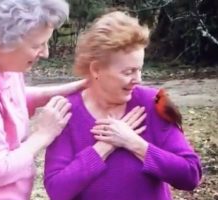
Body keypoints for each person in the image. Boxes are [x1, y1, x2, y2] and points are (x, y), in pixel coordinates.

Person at [44, 11, 202, 200]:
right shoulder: (66, 112)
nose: (138, 79)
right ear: (96, 69)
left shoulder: (152, 103)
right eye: (129, 72)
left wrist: (133, 143)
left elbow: (190, 175)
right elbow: (57, 190)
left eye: (140, 69)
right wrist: (103, 147)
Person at [0, 0, 86, 199]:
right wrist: (43, 134)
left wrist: (66, 90)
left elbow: (3, 101)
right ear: (2, 42)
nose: (46, 52)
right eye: (38, 45)